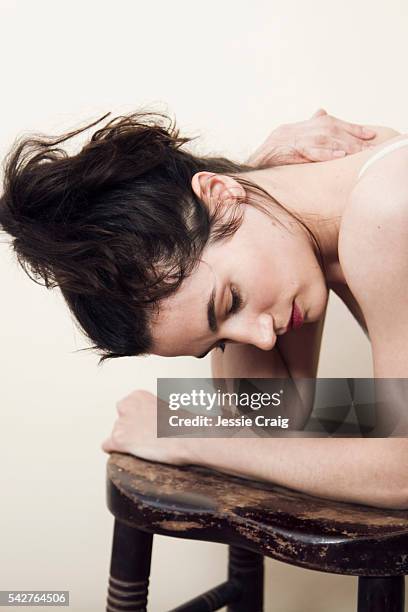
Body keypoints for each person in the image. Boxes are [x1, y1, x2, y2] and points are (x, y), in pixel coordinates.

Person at [1, 107, 406, 509]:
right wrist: (253, 182)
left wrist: (184, 435)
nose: (261, 338)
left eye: (232, 302)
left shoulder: (387, 206)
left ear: (219, 195)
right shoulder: (344, 210)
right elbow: (266, 419)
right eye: (220, 343)